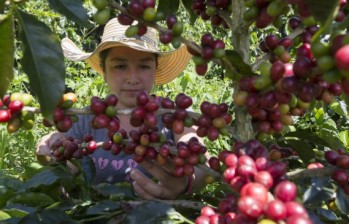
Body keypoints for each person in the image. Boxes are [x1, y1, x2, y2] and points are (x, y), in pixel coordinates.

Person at [36, 18, 208, 200]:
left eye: (143, 66)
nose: (132, 78)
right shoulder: (88, 119)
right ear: (104, 70)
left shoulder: (172, 116)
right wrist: (50, 148)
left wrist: (185, 183)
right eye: (120, 66)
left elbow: (203, 167)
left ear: (155, 69)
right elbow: (58, 147)